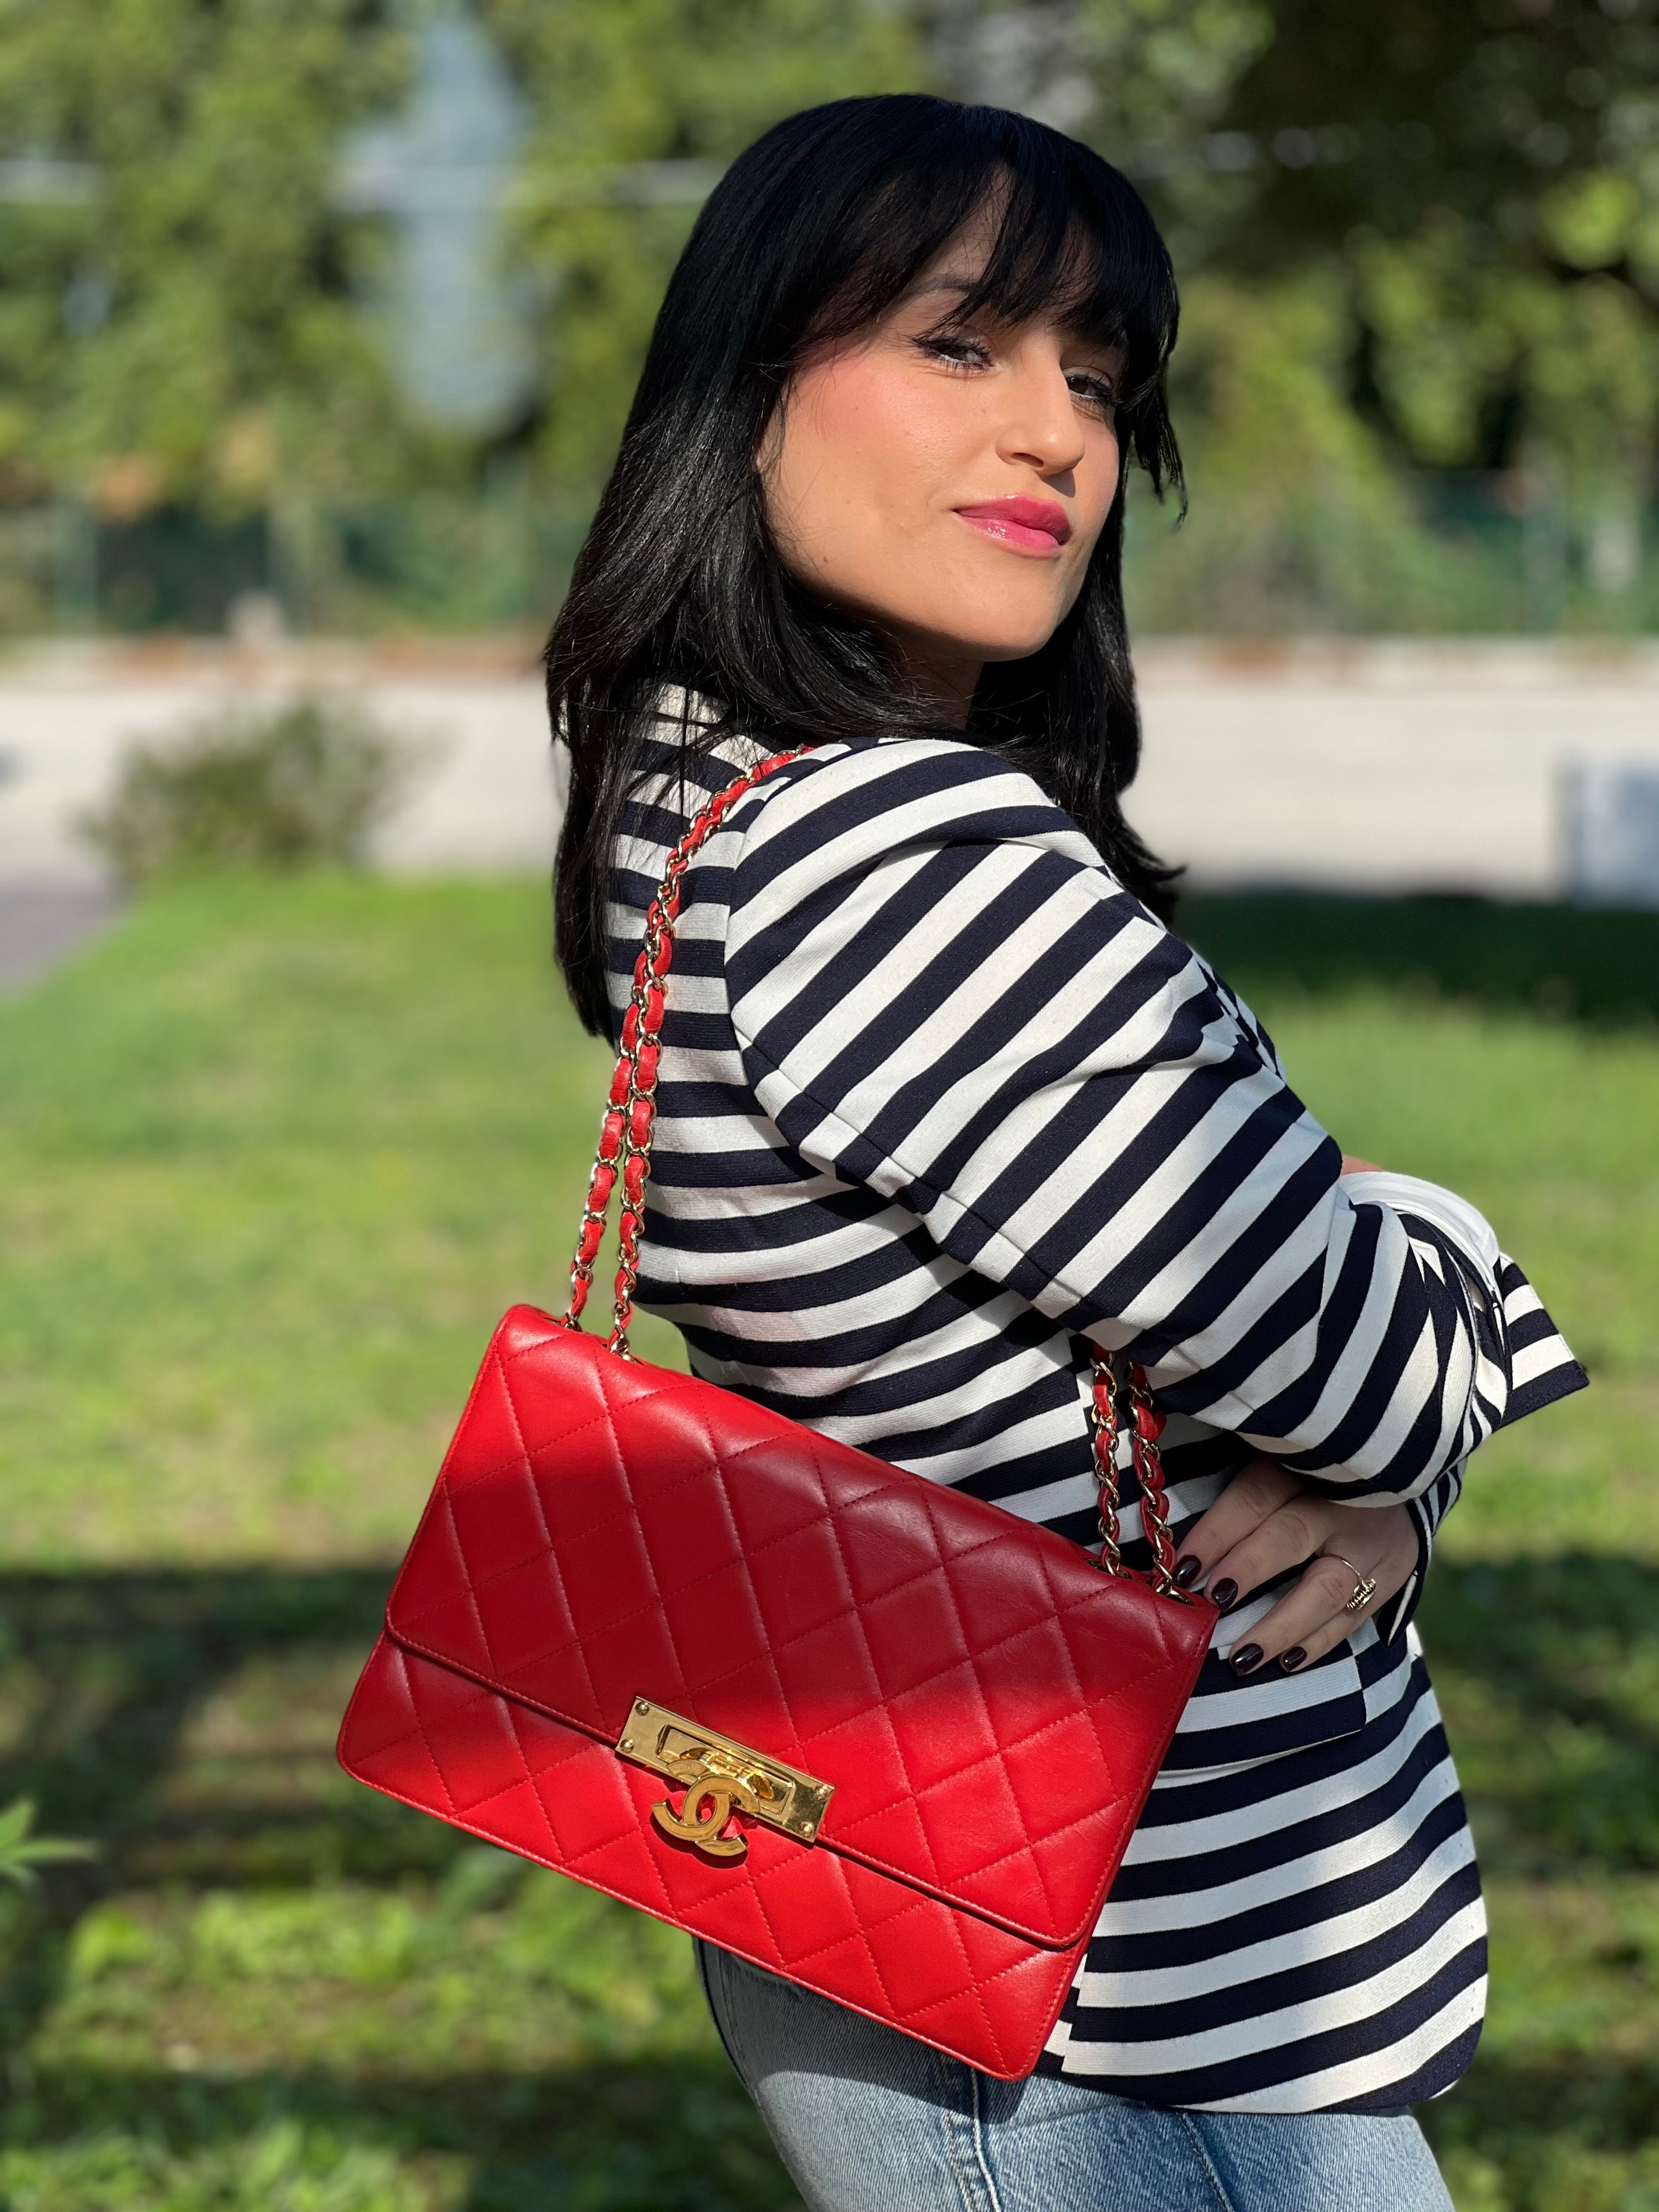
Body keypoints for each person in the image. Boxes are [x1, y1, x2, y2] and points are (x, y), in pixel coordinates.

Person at [546, 93, 1584, 2212]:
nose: (1055, 435)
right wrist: (1440, 1259)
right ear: (746, 380)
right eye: (959, 344)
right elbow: (1359, 1374)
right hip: (1118, 1984)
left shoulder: (702, 803)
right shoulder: (904, 852)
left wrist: (1354, 1413)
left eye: (1098, 379)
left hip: (886, 1868)